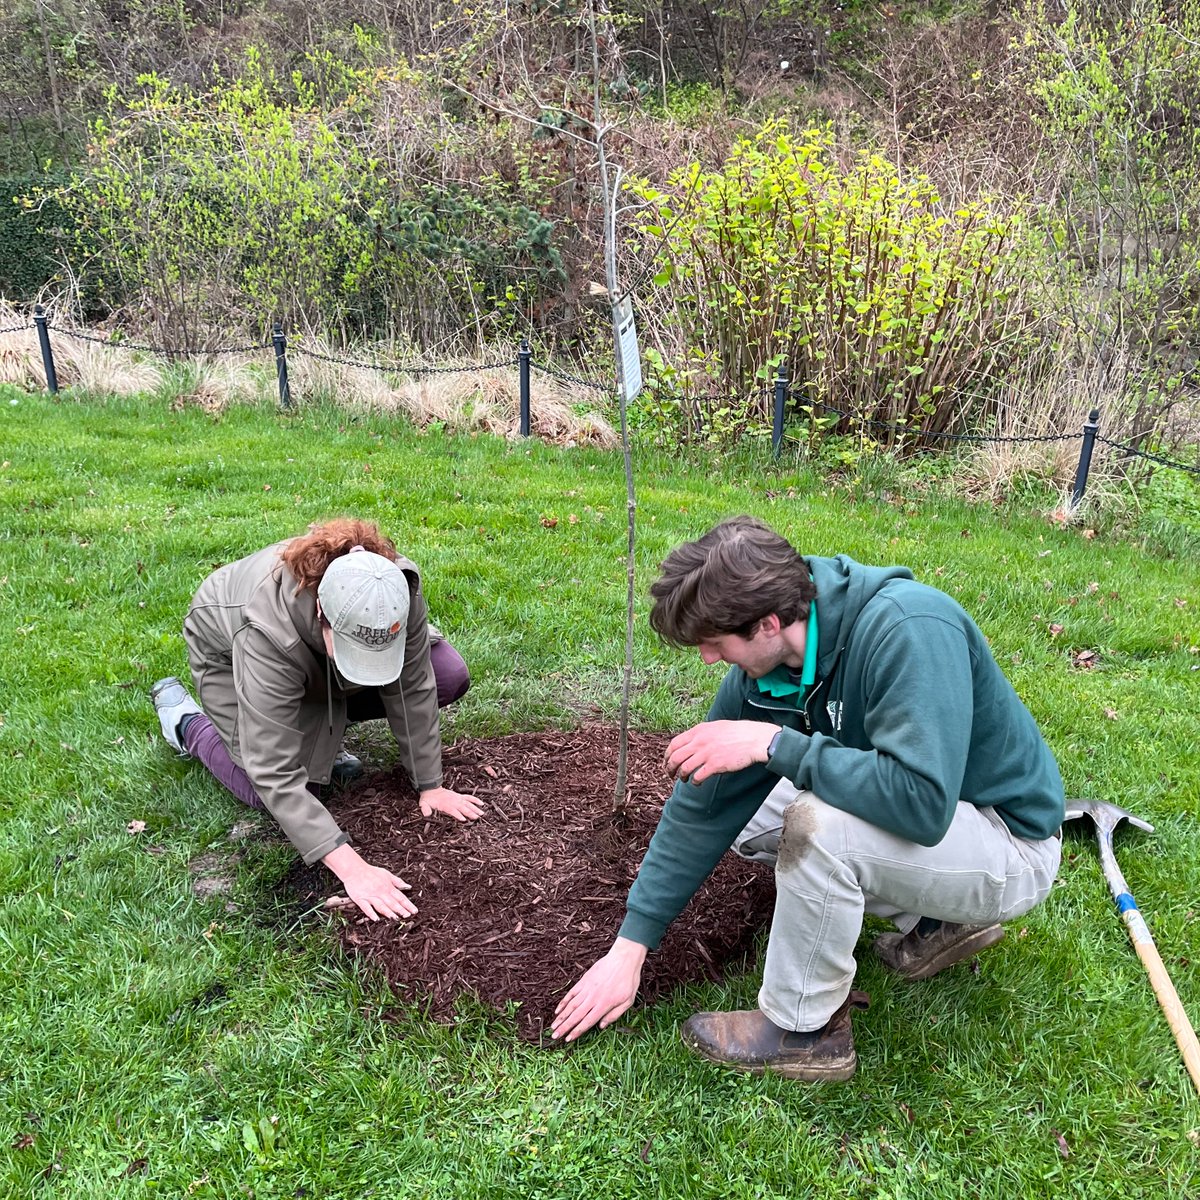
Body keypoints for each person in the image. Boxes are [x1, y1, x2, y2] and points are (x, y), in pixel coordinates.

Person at [551, 515, 1064, 1081]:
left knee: (815, 827)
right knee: (750, 819)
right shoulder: (767, 672)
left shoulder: (909, 629)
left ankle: (803, 1030)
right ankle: (935, 919)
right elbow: (705, 808)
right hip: (940, 831)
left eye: (716, 644)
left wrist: (774, 744)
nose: (708, 659)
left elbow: (921, 802)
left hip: (1006, 842)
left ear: (768, 623)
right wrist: (632, 947)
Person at [150, 518, 483, 922]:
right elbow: (272, 771)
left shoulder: (392, 590)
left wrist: (430, 784)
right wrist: (353, 869)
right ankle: (187, 725)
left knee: (446, 675)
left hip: (314, 656)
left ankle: (323, 733)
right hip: (228, 654)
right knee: (263, 788)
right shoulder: (267, 633)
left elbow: (412, 685)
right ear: (322, 611)